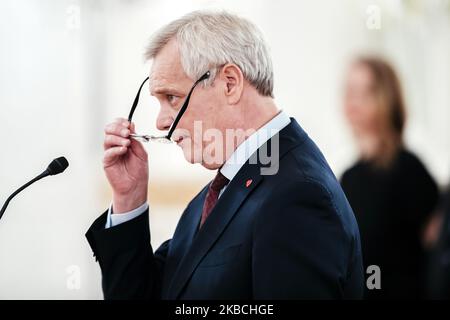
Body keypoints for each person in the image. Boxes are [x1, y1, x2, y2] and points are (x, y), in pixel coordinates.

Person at [86, 10, 364, 300]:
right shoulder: (216, 195)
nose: (160, 122)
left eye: (172, 98)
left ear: (230, 83)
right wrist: (128, 199)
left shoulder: (298, 195)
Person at [340, 56, 439, 299]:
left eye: (367, 91)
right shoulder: (348, 179)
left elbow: (436, 252)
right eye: (350, 90)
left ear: (386, 97)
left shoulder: (409, 170)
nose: (355, 100)